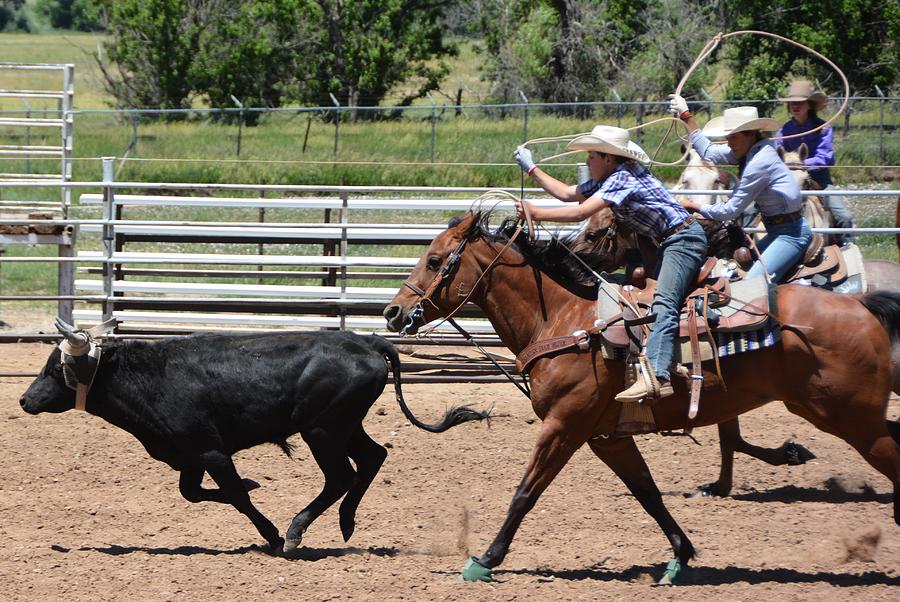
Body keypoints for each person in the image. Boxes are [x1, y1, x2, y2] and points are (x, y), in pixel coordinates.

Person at [513, 125, 708, 403]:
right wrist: (531, 168)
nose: (587, 161)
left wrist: (536, 211)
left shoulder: (622, 177)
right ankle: (669, 357)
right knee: (650, 300)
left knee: (664, 301)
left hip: (683, 240)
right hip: (670, 241)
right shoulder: (612, 176)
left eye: (591, 155)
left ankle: (657, 375)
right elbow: (568, 194)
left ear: (608, 158)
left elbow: (581, 212)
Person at [669, 96, 812, 283]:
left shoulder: (759, 163)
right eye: (727, 137)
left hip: (791, 235)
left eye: (733, 137)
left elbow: (729, 211)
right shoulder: (753, 149)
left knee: (753, 283)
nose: (729, 143)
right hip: (780, 230)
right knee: (740, 269)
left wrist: (691, 205)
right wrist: (686, 116)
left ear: (750, 134)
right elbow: (708, 152)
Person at [776, 79, 855, 246]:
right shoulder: (783, 131)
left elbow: (825, 158)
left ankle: (849, 251)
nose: (794, 106)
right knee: (757, 211)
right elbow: (776, 156)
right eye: (791, 103)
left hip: (820, 181)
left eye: (799, 103)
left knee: (844, 217)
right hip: (790, 182)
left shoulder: (823, 128)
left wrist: (798, 164)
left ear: (809, 105)